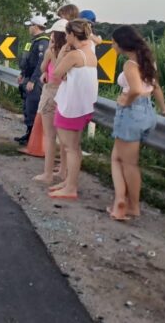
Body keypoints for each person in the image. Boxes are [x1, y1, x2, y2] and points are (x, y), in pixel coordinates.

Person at [108, 26, 165, 220]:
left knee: (129, 163)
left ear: (121, 43)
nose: (111, 45)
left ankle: (131, 206)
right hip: (148, 112)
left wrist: (125, 101)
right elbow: (155, 87)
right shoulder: (147, 61)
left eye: (113, 42)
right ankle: (121, 199)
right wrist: (163, 109)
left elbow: (136, 89)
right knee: (118, 158)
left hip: (131, 113)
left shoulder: (130, 64)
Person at [48, 19, 99, 200]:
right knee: (74, 148)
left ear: (71, 34)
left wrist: (61, 52)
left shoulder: (74, 55)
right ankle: (69, 182)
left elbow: (55, 73)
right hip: (83, 106)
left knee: (70, 148)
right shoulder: (90, 53)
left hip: (71, 106)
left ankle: (70, 187)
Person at [33, 19, 68, 185]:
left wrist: (44, 72)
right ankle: (63, 170)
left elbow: (42, 68)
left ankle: (47, 173)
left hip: (51, 91)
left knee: (49, 135)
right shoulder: (72, 52)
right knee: (65, 137)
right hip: (67, 94)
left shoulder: (51, 51)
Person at [15, 15, 50, 145]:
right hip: (28, 77)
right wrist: (22, 74)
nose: (29, 28)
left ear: (35, 26)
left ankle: (33, 137)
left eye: (30, 25)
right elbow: (28, 60)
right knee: (27, 106)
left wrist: (33, 81)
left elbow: (40, 64)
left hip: (34, 80)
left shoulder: (43, 43)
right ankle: (29, 134)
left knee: (32, 106)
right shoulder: (34, 40)